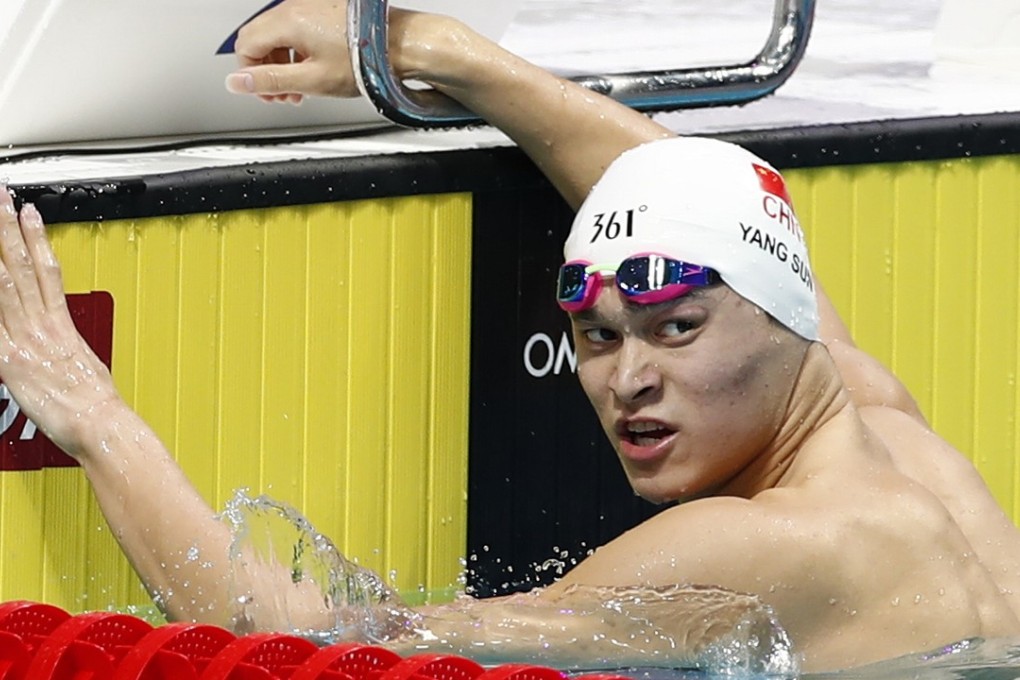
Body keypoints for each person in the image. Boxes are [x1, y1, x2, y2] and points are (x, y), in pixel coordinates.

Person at [1, 0, 1020, 672]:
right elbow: (677, 179)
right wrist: (418, 44)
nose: (631, 380)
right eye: (601, 336)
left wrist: (90, 413)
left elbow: (319, 643)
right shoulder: (894, 433)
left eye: (677, 327)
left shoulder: (750, 547)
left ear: (781, 315)